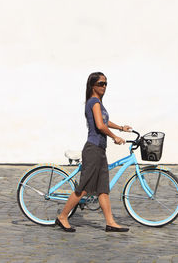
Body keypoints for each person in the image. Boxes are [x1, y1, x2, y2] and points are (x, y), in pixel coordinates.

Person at [56, 72, 131, 232]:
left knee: (103, 189)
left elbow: (105, 121)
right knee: (83, 188)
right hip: (93, 149)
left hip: (100, 150)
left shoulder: (99, 103)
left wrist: (120, 128)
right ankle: (62, 217)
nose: (104, 86)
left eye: (105, 84)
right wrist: (114, 137)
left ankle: (110, 222)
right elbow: (100, 125)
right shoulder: (94, 101)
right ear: (92, 86)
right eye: (100, 84)